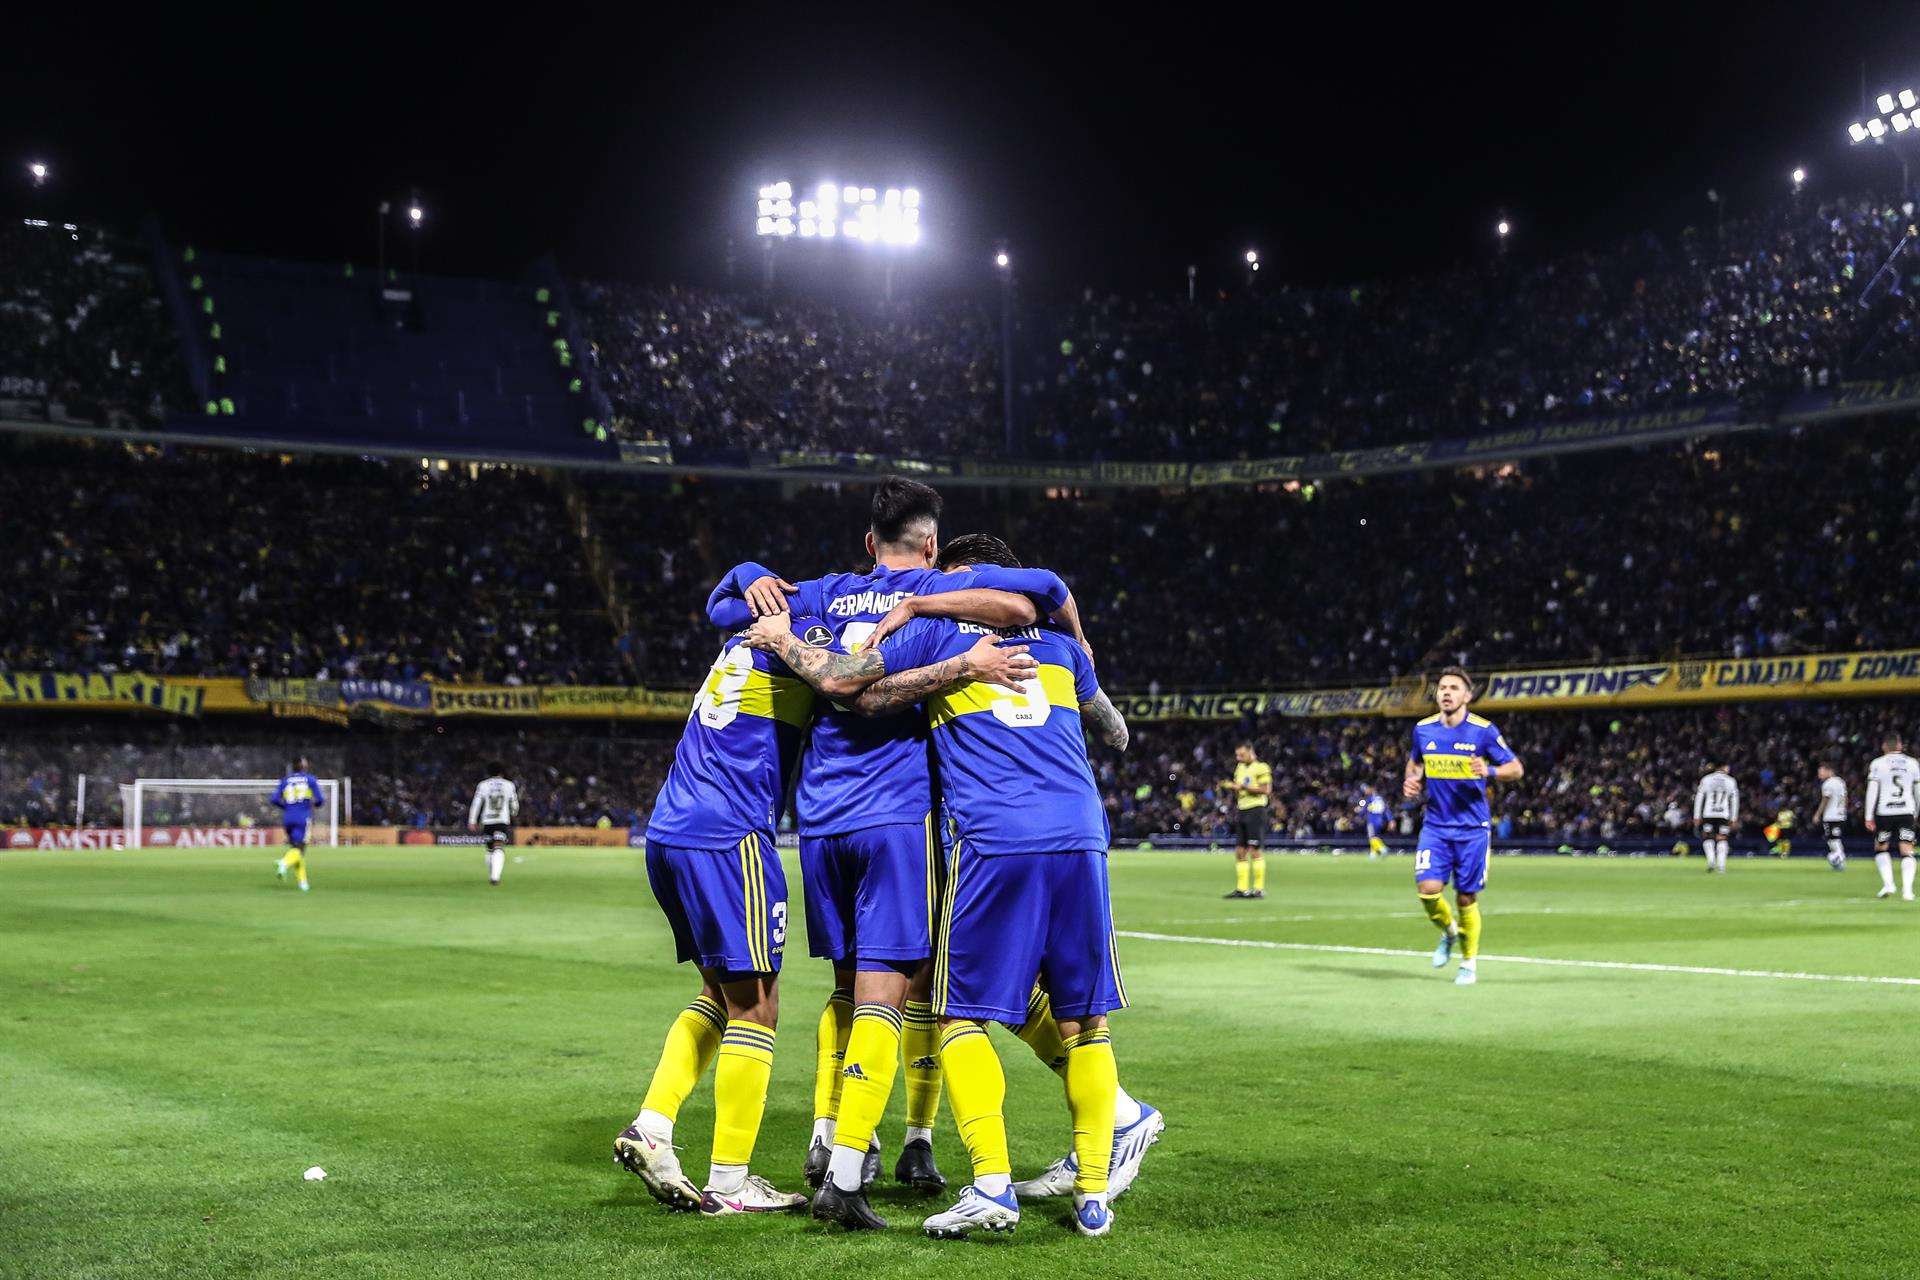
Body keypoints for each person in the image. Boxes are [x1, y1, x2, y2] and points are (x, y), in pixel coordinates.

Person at [703, 478, 1080, 1216]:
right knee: (896, 993)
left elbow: (724, 609)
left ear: (870, 544)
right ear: (935, 547)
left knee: (845, 989)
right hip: (898, 819)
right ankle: (850, 1170)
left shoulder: (823, 593)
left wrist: (751, 575)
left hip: (818, 820)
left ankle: (829, 1131)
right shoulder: (942, 609)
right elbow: (1036, 595)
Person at [747, 533, 1140, 1240]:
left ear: (955, 575)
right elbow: (1112, 729)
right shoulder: (1058, 643)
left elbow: (857, 690)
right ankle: (1092, 1196)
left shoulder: (928, 629)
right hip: (1083, 837)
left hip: (994, 840)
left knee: (957, 1015)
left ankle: (990, 1184)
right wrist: (1082, 661)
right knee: (1089, 1021)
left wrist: (789, 638)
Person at [1403, 668, 1523, 987]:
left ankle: (1469, 963)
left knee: (1466, 897)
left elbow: (1516, 768)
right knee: (1427, 891)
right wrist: (1412, 781)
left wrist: (1491, 771)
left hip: (1472, 828)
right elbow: (1415, 763)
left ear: (1467, 696)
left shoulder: (1483, 731)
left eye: (1454, 688)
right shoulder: (1423, 729)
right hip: (1436, 825)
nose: (1446, 692)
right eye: (1442, 687)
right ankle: (1449, 932)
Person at [1864, 733, 1920, 900]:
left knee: (1881, 847)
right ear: (1900, 745)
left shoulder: (1878, 764)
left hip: (1885, 812)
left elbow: (1872, 790)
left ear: (1884, 746)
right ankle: (1908, 891)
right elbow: (1918, 790)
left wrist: (1868, 815)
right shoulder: (1912, 763)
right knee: (1907, 849)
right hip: (1906, 811)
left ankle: (1889, 885)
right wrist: (1917, 812)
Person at [1221, 743, 1272, 899]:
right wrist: (1232, 788)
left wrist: (1243, 787)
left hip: (1256, 810)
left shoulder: (1262, 767)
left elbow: (1266, 790)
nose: (1238, 758)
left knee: (1255, 850)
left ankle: (1258, 889)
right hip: (1242, 810)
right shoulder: (1240, 768)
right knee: (1240, 851)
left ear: (1251, 752)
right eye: (1237, 755)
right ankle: (1242, 889)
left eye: (1241, 755)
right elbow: (1239, 789)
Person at [270, 757, 322, 891]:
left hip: (288, 818)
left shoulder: (285, 780)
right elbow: (320, 800)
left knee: (296, 849)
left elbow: (274, 799)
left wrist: (286, 807)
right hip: (302, 817)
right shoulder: (310, 779)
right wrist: (312, 805)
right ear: (304, 766)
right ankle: (284, 863)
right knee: (299, 849)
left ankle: (303, 883)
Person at [467, 762, 519, 886]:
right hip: (501, 820)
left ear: (489, 773)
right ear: (502, 772)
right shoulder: (509, 785)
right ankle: (495, 877)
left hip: (487, 821)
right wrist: (514, 812)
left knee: (490, 849)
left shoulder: (483, 785)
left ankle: (493, 875)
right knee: (498, 847)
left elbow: (476, 803)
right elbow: (514, 803)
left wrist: (472, 821)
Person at [1693, 764, 1740, 874]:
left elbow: (1699, 798)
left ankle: (1711, 862)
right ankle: (1721, 866)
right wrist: (1734, 817)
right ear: (1723, 767)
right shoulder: (1730, 781)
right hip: (1723, 814)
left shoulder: (1706, 779)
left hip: (1708, 813)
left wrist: (1696, 816)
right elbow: (1734, 800)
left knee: (1707, 837)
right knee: (1722, 838)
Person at [1816, 763, 1847, 871]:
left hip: (1831, 816)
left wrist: (1817, 814)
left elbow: (1825, 800)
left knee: (1833, 840)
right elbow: (1845, 798)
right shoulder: (1840, 782)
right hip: (1840, 815)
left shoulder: (1828, 784)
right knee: (1835, 839)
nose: (1819, 775)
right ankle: (1838, 863)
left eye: (1821, 772)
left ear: (1828, 771)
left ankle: (1839, 859)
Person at [1362, 786, 1392, 859]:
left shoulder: (1369, 799)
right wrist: (1390, 819)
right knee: (1376, 836)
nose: (1365, 791)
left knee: (1371, 837)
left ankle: (1382, 848)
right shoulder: (1381, 799)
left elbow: (1364, 810)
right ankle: (1373, 854)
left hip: (1372, 820)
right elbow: (1386, 810)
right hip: (1380, 820)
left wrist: (1359, 813)